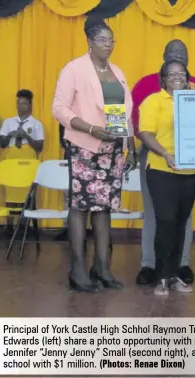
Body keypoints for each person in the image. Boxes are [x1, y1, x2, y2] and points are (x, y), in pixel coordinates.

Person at [52, 17, 136, 293]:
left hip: (112, 150)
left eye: (111, 40)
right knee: (81, 206)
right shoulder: (74, 69)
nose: (108, 45)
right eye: (103, 40)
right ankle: (77, 268)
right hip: (85, 147)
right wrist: (90, 129)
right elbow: (60, 109)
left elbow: (122, 113)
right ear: (89, 41)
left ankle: (102, 267)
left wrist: (129, 145)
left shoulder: (117, 72)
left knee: (104, 208)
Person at [131, 40, 195, 287]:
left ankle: (179, 266)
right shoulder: (146, 87)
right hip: (157, 159)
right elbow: (138, 125)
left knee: (182, 219)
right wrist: (160, 152)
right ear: (163, 62)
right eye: (172, 56)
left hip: (190, 167)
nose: (178, 58)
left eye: (182, 56)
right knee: (159, 216)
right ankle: (150, 266)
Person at [0, 89, 44, 158]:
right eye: (18, 103)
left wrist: (26, 136)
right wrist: (10, 135)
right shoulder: (8, 122)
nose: (20, 106)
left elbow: (39, 148)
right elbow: (1, 144)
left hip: (29, 160)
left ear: (30, 105)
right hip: (11, 159)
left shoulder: (37, 124)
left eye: (23, 104)